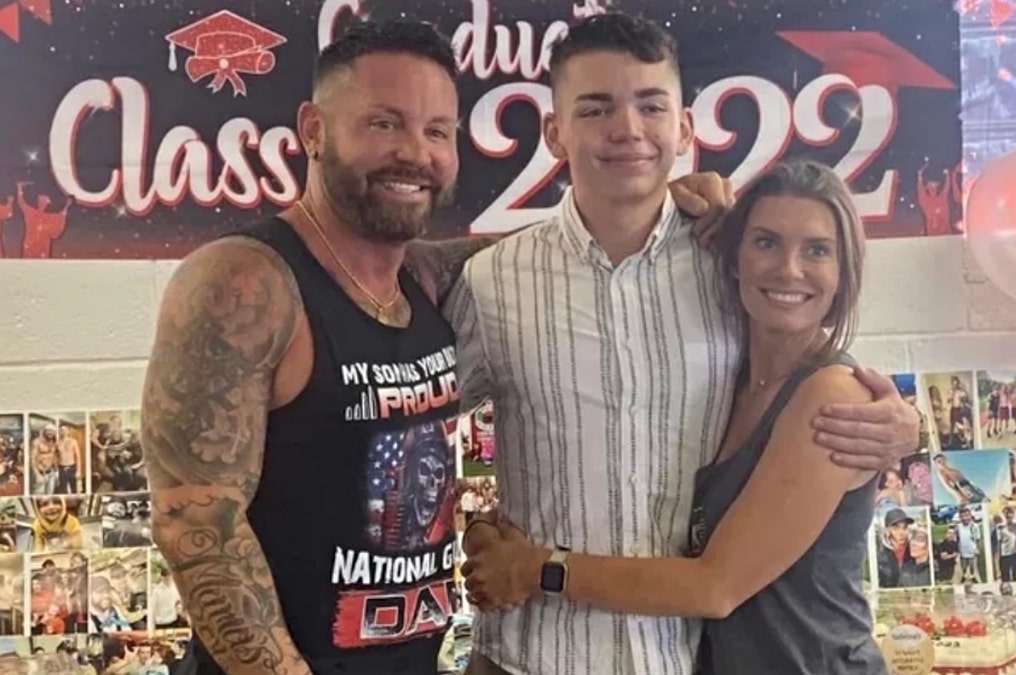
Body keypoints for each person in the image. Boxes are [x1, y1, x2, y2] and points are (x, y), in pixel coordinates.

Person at [141, 18, 734, 675]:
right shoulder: (243, 281)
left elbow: (569, 261)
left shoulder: (430, 279)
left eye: (436, 131)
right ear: (313, 130)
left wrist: (663, 201)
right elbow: (197, 529)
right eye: (383, 123)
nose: (414, 153)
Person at [450, 14, 919, 675]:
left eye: (650, 105)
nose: (628, 130)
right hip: (528, 657)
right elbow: (413, 427)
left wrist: (907, 427)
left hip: (678, 658)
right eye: (596, 108)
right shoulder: (492, 281)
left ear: (685, 128)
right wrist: (469, 530)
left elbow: (813, 364)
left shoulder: (731, 267)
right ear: (554, 132)